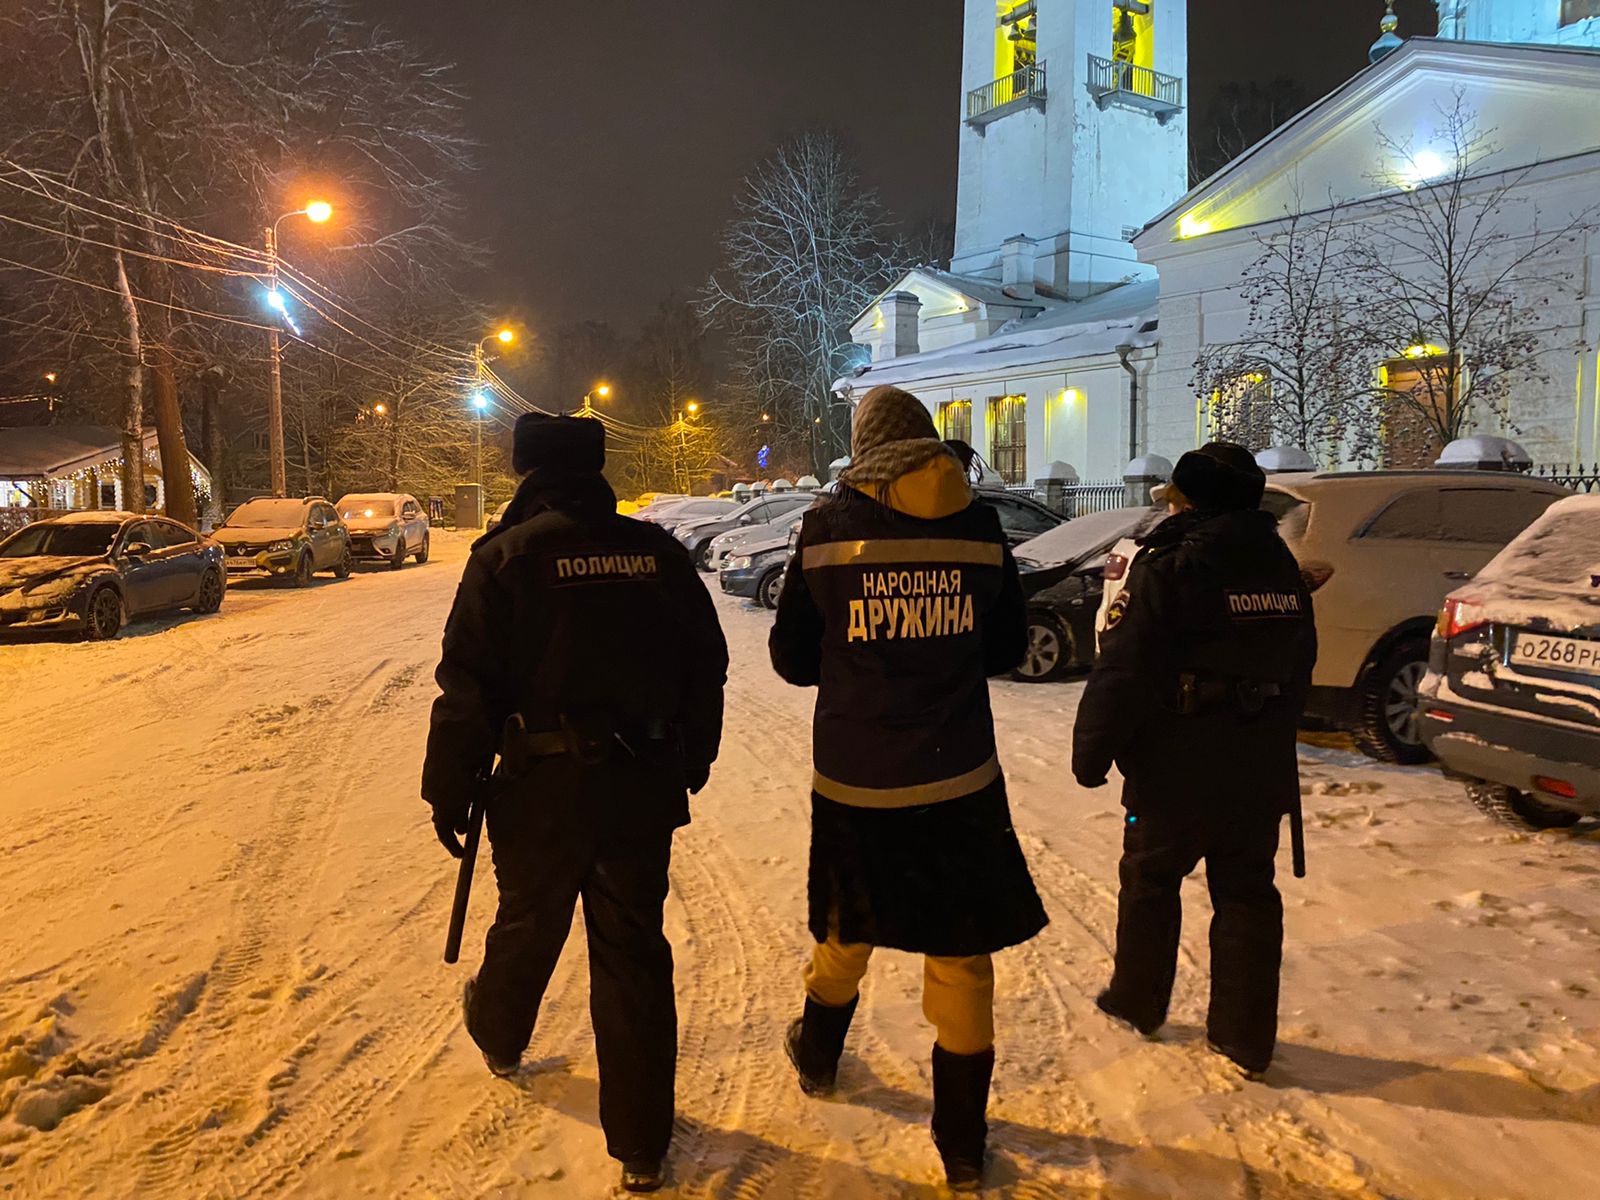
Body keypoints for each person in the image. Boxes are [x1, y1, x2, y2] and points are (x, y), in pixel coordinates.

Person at [422, 413, 728, 1194]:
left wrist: (449, 784)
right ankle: (642, 1148)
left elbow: (467, 685)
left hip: (540, 785)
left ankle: (498, 1033)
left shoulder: (505, 556)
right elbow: (706, 663)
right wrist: (693, 754)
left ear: (527, 471)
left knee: (530, 919)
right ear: (597, 473)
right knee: (632, 951)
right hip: (638, 785)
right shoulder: (656, 554)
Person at [770, 385, 1047, 1192]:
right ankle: (961, 1142)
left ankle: (819, 1054)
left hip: (856, 775)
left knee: (848, 921)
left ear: (863, 447)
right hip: (958, 775)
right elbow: (1006, 647)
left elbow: (792, 659)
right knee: (960, 952)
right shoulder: (980, 525)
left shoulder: (826, 529)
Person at [1072, 441, 1316, 1079]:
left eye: (1176, 498)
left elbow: (1124, 670)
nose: (1170, 508)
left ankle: (1137, 1000)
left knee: (1151, 881)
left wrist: (1092, 750)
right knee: (1247, 893)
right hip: (1256, 763)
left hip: (1174, 765)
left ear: (1193, 502)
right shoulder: (1281, 569)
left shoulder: (1171, 567)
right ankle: (1244, 1037)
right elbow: (1301, 668)